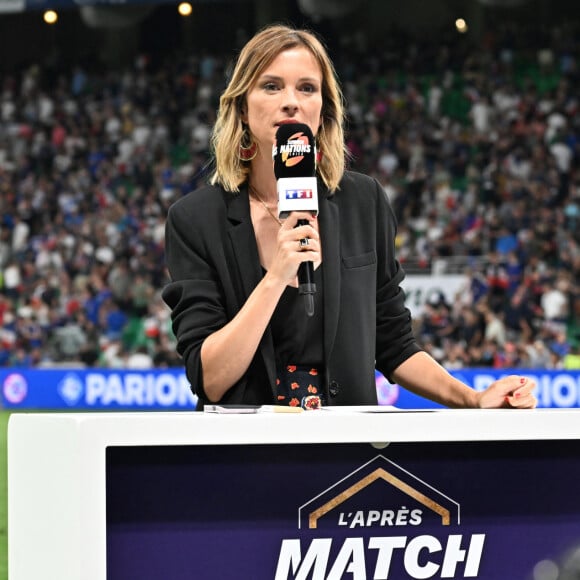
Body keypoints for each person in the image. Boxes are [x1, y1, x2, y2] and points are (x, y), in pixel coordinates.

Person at [162, 24, 537, 411]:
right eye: (271, 86)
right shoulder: (195, 219)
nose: (291, 101)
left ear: (323, 109)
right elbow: (210, 379)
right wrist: (275, 277)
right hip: (247, 455)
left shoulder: (363, 200)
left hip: (350, 453)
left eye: (307, 88)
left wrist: (472, 399)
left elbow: (393, 343)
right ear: (242, 106)